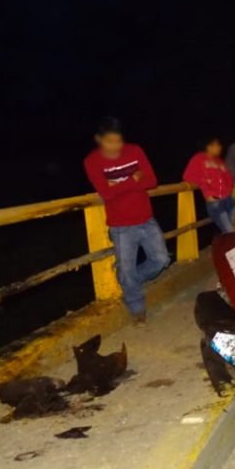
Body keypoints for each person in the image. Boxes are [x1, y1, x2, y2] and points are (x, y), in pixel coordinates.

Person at [83, 117, 170, 324]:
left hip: (146, 218)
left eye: (118, 141)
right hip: (120, 226)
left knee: (161, 259)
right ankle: (136, 307)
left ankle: (130, 283)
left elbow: (152, 181)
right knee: (127, 269)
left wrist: (118, 186)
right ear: (99, 139)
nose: (115, 146)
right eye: (109, 142)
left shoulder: (134, 151)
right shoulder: (92, 161)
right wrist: (133, 180)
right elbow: (106, 194)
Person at [183, 137, 235, 233]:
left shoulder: (219, 161)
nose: (220, 147)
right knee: (230, 231)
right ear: (209, 146)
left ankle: (223, 243)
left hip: (228, 200)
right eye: (217, 145)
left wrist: (228, 190)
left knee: (228, 233)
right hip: (215, 201)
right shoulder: (198, 159)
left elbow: (229, 177)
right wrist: (205, 183)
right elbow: (188, 176)